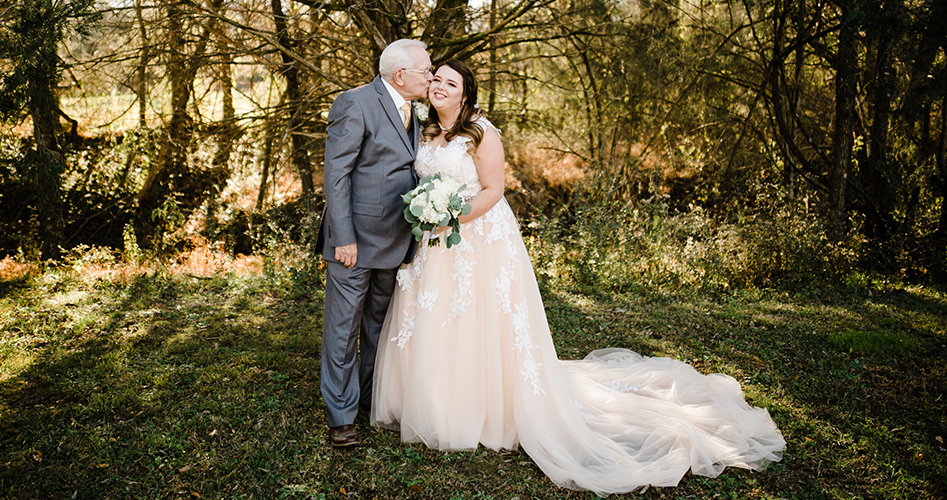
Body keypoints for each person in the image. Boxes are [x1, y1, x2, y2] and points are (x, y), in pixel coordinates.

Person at [370, 60, 786, 495]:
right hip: (433, 246)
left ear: (464, 93)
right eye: (435, 78)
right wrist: (429, 215)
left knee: (477, 321)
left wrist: (451, 216)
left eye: (449, 82)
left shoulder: (482, 132)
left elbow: (494, 191)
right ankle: (433, 403)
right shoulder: (424, 129)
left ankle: (483, 408)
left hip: (477, 240)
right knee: (436, 318)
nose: (438, 85)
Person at [315, 39, 433, 447]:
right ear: (400, 75)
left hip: (396, 240)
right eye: (425, 70)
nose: (430, 77)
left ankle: (368, 398)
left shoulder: (416, 112)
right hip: (355, 243)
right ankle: (341, 416)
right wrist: (343, 239)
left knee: (378, 327)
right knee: (344, 329)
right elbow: (337, 175)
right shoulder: (355, 103)